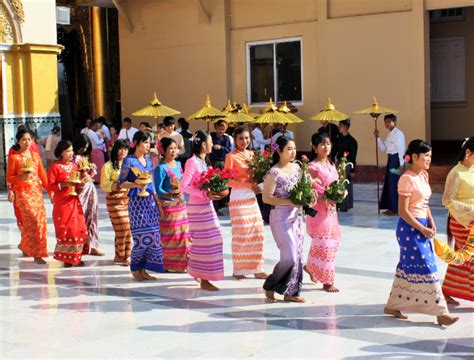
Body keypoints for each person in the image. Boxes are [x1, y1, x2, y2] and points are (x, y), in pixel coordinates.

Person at [384, 139, 458, 326]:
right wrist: (422, 227)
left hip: (422, 226)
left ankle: (393, 304)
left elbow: (424, 204)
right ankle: (441, 312)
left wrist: (431, 222)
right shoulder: (406, 178)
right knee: (427, 266)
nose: (428, 159)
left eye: (430, 156)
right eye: (426, 156)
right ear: (414, 156)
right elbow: (403, 211)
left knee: (406, 266)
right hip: (409, 229)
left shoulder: (423, 176)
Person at [180, 130, 226, 291]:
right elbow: (183, 186)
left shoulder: (204, 161)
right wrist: (204, 193)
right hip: (197, 208)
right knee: (207, 241)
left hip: (206, 206)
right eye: (210, 141)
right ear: (203, 144)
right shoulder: (192, 162)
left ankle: (200, 273)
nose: (213, 144)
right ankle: (203, 277)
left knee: (213, 240)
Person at [262, 136, 305, 303]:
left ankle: (291, 292)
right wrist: (290, 201)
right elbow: (267, 198)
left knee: (298, 254)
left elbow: (304, 187)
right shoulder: (274, 172)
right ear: (279, 150)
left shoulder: (297, 168)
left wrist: (309, 196)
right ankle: (271, 284)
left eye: (294, 148)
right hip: (280, 216)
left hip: (297, 216)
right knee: (290, 256)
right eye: (289, 148)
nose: (293, 152)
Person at [118, 130, 164, 280]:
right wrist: (135, 183)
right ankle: (135, 268)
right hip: (136, 202)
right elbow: (121, 183)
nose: (147, 145)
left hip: (150, 202)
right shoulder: (129, 161)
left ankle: (145, 268)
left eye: (148, 142)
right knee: (140, 236)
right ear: (136, 143)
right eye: (144, 142)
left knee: (153, 235)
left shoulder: (149, 161)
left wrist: (158, 203)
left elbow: (153, 183)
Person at [224, 127, 268, 280]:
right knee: (241, 233)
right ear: (235, 139)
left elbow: (257, 175)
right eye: (241, 138)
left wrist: (259, 183)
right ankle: (238, 269)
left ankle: (257, 268)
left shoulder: (253, 155)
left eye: (247, 138)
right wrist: (249, 186)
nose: (245, 141)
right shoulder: (231, 157)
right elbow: (227, 180)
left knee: (257, 231)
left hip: (252, 196)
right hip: (238, 195)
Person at [7, 129, 50, 264]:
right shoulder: (14, 158)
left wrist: (51, 191)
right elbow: (9, 177)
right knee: (32, 221)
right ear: (18, 142)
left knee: (40, 222)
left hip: (36, 192)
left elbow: (42, 175)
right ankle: (37, 254)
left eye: (29, 139)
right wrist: (21, 177)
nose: (27, 142)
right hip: (23, 193)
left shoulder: (36, 156)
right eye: (23, 139)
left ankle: (25, 246)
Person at [305, 133, 341, 292]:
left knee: (332, 243)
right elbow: (310, 189)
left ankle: (310, 266)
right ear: (314, 147)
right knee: (324, 244)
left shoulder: (332, 164)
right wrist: (325, 196)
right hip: (319, 210)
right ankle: (328, 281)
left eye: (328, 143)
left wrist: (338, 194)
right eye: (321, 144)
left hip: (331, 211)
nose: (326, 146)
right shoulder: (312, 167)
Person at [441, 137, 474, 304]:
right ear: (468, 152)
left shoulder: (473, 169)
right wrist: (470, 211)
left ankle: (447, 289)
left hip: (472, 222)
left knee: (462, 259)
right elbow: (447, 200)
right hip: (462, 223)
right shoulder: (456, 173)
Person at [48, 140, 88, 267]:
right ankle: (67, 258)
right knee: (65, 229)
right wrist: (65, 184)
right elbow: (50, 186)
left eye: (72, 151)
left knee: (78, 227)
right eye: (68, 151)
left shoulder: (75, 166)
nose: (71, 153)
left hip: (74, 201)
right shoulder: (55, 167)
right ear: (61, 153)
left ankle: (76, 256)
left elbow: (78, 184)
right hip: (62, 203)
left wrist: (81, 185)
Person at [153, 137, 191, 273]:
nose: (174, 151)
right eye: (170, 148)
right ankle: (169, 264)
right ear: (163, 151)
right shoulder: (160, 168)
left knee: (183, 235)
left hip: (181, 205)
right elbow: (157, 189)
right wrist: (170, 195)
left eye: (175, 148)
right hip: (168, 206)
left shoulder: (179, 164)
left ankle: (183, 263)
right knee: (171, 236)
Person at [100, 139, 132, 266]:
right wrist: (116, 185)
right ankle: (122, 255)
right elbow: (104, 184)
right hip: (114, 200)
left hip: (127, 199)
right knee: (122, 225)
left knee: (127, 228)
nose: (123, 151)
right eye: (120, 148)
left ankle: (123, 255)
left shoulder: (129, 164)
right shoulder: (108, 166)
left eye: (125, 148)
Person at [73, 135, 104, 256]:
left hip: (89, 189)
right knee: (81, 217)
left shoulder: (85, 158)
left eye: (86, 148)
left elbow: (89, 175)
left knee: (92, 217)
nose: (84, 150)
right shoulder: (73, 158)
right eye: (82, 147)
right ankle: (80, 245)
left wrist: (92, 169)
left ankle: (93, 244)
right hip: (80, 190)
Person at [374, 114, 405, 215]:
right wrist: (378, 138)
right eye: (385, 122)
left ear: (394, 122)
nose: (387, 124)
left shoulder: (398, 134)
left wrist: (401, 165)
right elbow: (384, 148)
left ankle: (396, 208)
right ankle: (391, 207)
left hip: (396, 162)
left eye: (389, 121)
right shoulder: (389, 135)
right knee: (390, 184)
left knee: (394, 184)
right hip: (391, 161)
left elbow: (401, 150)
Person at [334, 119, 358, 212]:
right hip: (338, 163)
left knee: (345, 184)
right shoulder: (338, 139)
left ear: (346, 127)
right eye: (339, 125)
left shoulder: (352, 141)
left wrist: (352, 170)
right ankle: (337, 204)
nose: (339, 127)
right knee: (337, 184)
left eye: (341, 125)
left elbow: (353, 157)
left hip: (347, 164)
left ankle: (345, 205)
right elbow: (334, 152)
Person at [210, 119, 232, 214]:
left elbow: (228, 149)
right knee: (213, 183)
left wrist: (221, 147)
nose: (221, 131)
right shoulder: (211, 135)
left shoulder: (226, 138)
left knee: (222, 183)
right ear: (216, 128)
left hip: (222, 162)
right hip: (212, 161)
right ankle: (215, 207)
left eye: (223, 129)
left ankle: (223, 204)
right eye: (219, 129)